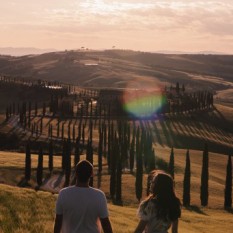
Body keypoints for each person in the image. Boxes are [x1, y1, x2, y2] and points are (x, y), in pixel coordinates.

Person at [54, 159, 113, 233]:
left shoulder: (63, 194)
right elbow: (106, 224)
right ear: (91, 174)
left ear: (76, 173)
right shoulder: (99, 196)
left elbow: (58, 222)